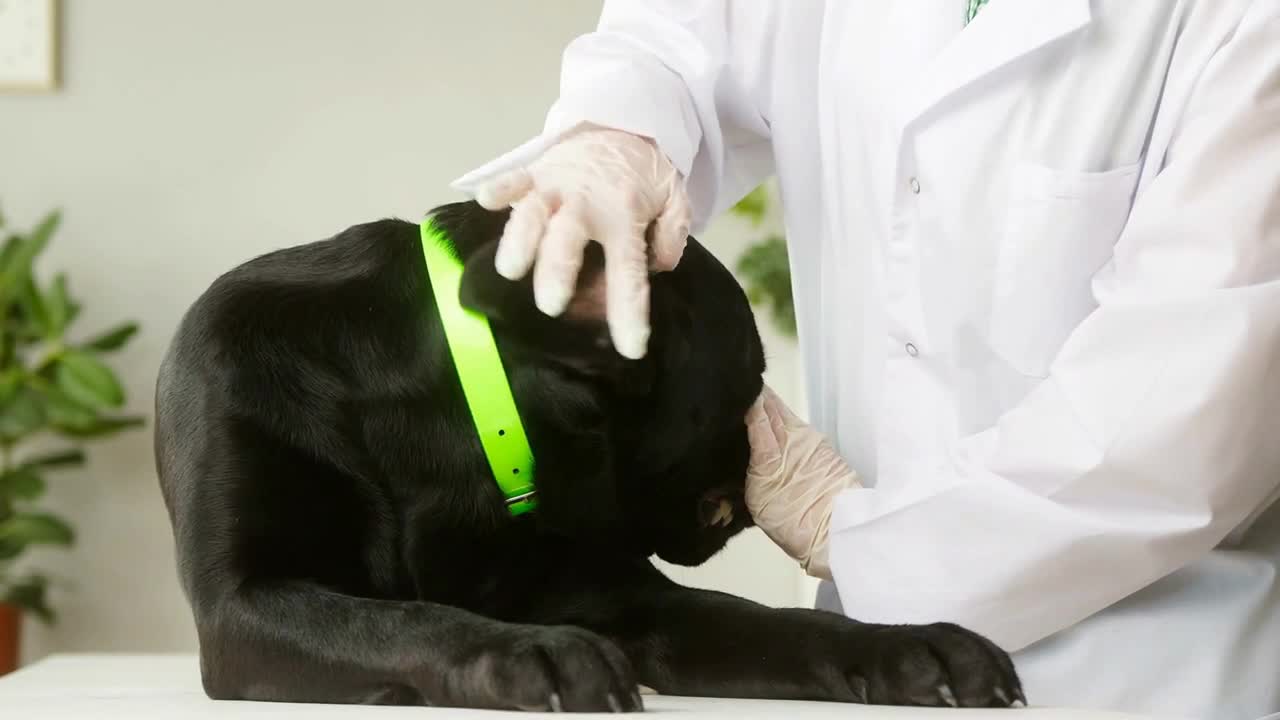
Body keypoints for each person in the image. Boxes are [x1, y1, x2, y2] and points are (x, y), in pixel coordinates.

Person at [450, 2, 1280, 717]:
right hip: (869, 668)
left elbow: (1187, 420)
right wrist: (618, 133)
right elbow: (682, 33)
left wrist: (839, 526)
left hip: (1145, 682)